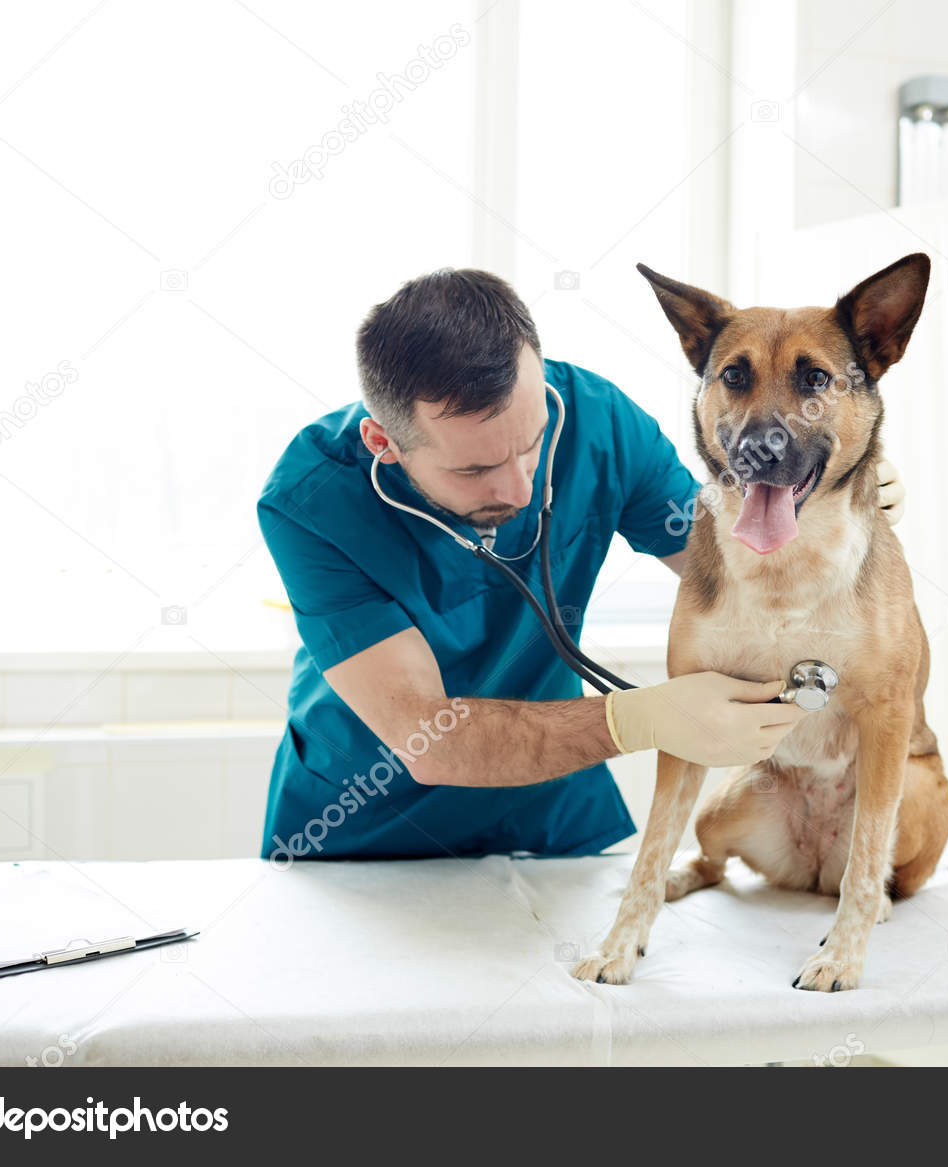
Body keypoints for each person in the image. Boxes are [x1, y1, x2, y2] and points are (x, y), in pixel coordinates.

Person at [256, 268, 903, 862]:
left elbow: (737, 562)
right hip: (361, 836)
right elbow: (428, 735)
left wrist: (824, 501)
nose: (517, 488)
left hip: (550, 818)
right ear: (383, 443)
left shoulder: (599, 423)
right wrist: (638, 718)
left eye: (533, 443)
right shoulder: (312, 500)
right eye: (475, 469)